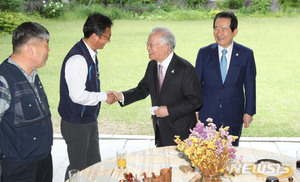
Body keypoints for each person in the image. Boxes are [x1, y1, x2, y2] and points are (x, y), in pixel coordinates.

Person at [113, 27, 202, 147]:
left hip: (181, 134)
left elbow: (196, 101)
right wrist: (121, 96)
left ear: (166, 47)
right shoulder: (152, 65)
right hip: (160, 131)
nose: (147, 48)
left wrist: (169, 110)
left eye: (151, 44)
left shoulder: (185, 69)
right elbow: (142, 89)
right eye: (147, 44)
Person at [58, 12, 116, 180]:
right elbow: (77, 96)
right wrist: (104, 96)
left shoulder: (90, 54)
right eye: (107, 36)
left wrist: (102, 96)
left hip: (87, 119)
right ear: (94, 36)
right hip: (76, 123)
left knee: (93, 165)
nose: (109, 40)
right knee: (77, 169)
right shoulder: (78, 59)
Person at [0, 22, 53, 182]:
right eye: (46, 45)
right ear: (31, 49)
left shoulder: (33, 75)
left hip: (42, 162)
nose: (49, 50)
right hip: (19, 170)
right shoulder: (3, 79)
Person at [195, 11, 256, 146]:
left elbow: (250, 85)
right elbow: (196, 84)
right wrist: (195, 109)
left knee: (230, 155)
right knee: (206, 156)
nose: (219, 33)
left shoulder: (246, 54)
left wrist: (249, 111)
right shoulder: (204, 53)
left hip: (233, 114)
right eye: (216, 29)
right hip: (208, 113)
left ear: (234, 32)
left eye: (224, 29)